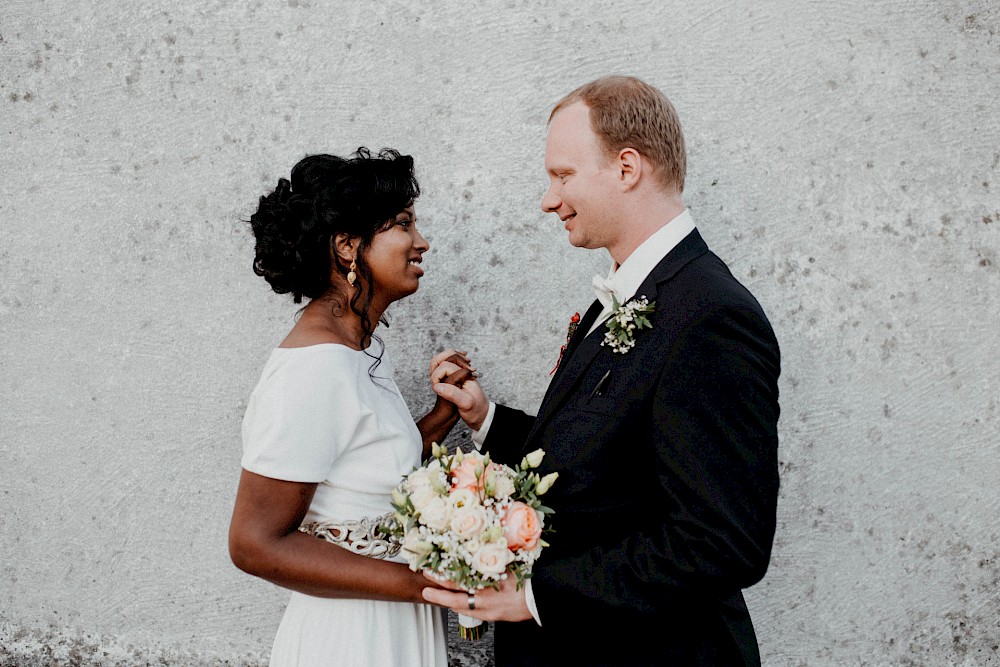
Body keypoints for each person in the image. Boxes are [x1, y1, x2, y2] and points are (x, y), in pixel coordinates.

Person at [424, 76, 781, 666]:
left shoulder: (711, 316)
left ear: (626, 167)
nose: (548, 199)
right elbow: (608, 466)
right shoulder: (628, 292)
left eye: (562, 175)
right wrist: (487, 420)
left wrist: (535, 596)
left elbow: (722, 543)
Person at [228, 148, 471, 667]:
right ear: (347, 247)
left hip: (392, 619)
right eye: (404, 224)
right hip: (353, 636)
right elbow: (254, 543)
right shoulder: (314, 370)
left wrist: (438, 419)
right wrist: (422, 584)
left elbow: (359, 471)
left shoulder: (355, 349)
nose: (421, 242)